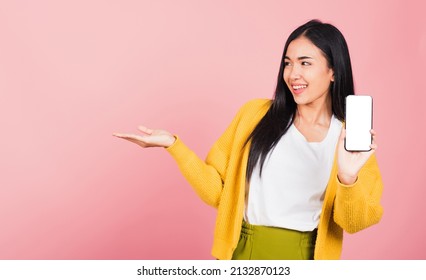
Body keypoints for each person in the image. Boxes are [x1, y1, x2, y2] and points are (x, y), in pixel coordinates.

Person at [113, 19, 383, 260]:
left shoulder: (348, 139)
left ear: (333, 71)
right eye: (287, 63)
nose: (293, 74)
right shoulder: (255, 115)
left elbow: (354, 222)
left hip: (305, 257)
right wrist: (174, 145)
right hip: (242, 252)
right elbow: (218, 192)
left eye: (305, 63)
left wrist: (348, 178)